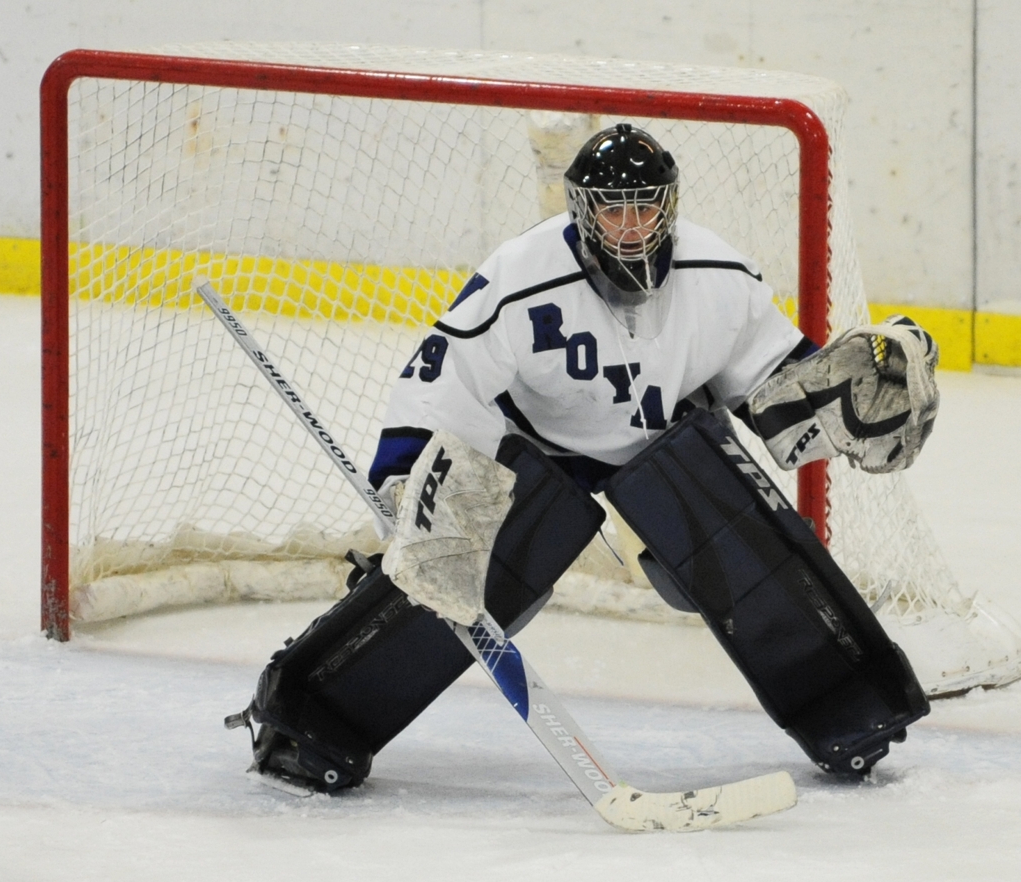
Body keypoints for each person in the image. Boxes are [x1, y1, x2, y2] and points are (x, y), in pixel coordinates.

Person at [229, 124, 938, 793]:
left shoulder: (719, 270)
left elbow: (774, 390)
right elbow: (444, 376)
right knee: (446, 580)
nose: (630, 228)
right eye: (612, 212)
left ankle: (854, 709)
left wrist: (846, 399)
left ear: (669, 207)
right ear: (580, 211)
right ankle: (311, 719)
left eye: (644, 209)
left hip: (666, 452)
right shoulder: (519, 274)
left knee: (760, 560)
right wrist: (407, 478)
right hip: (539, 457)